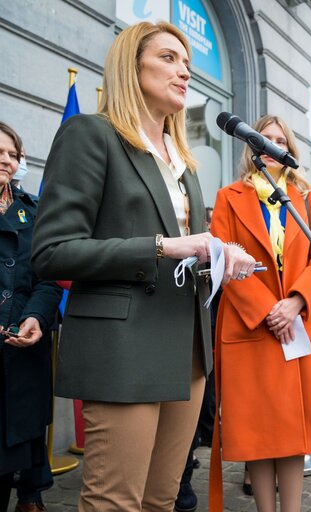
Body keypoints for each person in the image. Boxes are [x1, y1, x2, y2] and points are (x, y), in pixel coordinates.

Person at [31, 22, 255, 511]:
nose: (184, 73)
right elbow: (52, 251)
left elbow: (184, 248)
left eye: (188, 65)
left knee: (161, 499)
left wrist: (216, 255)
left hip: (187, 350)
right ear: (132, 67)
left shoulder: (183, 162)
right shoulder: (92, 135)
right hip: (124, 348)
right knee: (115, 502)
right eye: (169, 59)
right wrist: (163, 246)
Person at [209, 114, 311, 512]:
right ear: (252, 146)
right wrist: (267, 309)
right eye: (265, 138)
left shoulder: (309, 198)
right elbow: (220, 259)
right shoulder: (229, 196)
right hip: (251, 327)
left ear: (289, 150)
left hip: (297, 324)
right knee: (259, 432)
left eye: (280, 140)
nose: (272, 145)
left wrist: (296, 301)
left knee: (294, 431)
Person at [0, 123, 61, 512]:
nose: (5, 161)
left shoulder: (32, 211)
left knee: (15, 462)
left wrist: (37, 316)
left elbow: (48, 278)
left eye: (11, 154)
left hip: (21, 353)